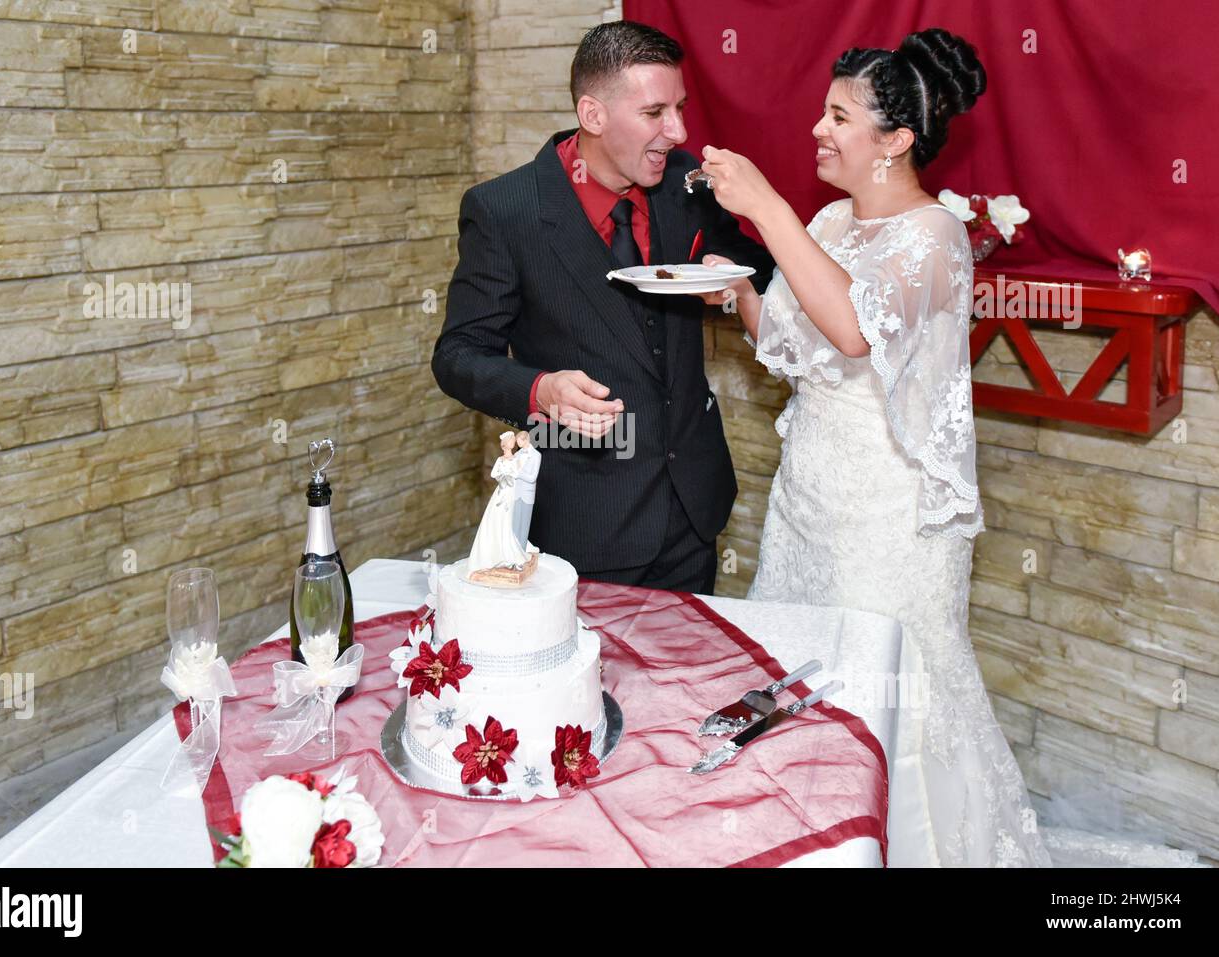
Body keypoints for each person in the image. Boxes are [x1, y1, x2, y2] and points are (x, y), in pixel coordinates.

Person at [698, 28, 1051, 866]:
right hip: (808, 497)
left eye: (840, 116)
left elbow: (857, 331)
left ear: (895, 141)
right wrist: (743, 290)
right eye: (825, 111)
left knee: (892, 695)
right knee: (802, 681)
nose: (819, 130)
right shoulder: (828, 218)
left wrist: (765, 210)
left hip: (886, 520)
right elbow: (799, 344)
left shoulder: (936, 238)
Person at [431, 21, 775, 595]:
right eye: (655, 112)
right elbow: (458, 355)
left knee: (691, 681)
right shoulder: (505, 210)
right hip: (584, 522)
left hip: (693, 507)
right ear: (592, 115)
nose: (679, 129)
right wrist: (539, 389)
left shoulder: (684, 186)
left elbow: (756, 266)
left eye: (681, 108)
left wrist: (730, 281)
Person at [467, 431, 528, 575]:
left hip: (513, 491)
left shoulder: (516, 459)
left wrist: (513, 476)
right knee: (498, 518)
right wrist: (503, 476)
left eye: (514, 440)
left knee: (511, 519)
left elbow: (520, 473)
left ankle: (511, 551)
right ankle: (498, 552)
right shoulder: (500, 460)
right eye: (512, 440)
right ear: (506, 444)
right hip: (502, 491)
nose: (513, 442)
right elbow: (494, 474)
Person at [510, 431, 542, 552]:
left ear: (526, 440)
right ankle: (513, 552)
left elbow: (532, 477)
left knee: (524, 526)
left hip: (528, 494)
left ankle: (521, 553)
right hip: (516, 493)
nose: (518, 446)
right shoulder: (517, 454)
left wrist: (518, 473)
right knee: (514, 525)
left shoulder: (536, 455)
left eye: (519, 443)